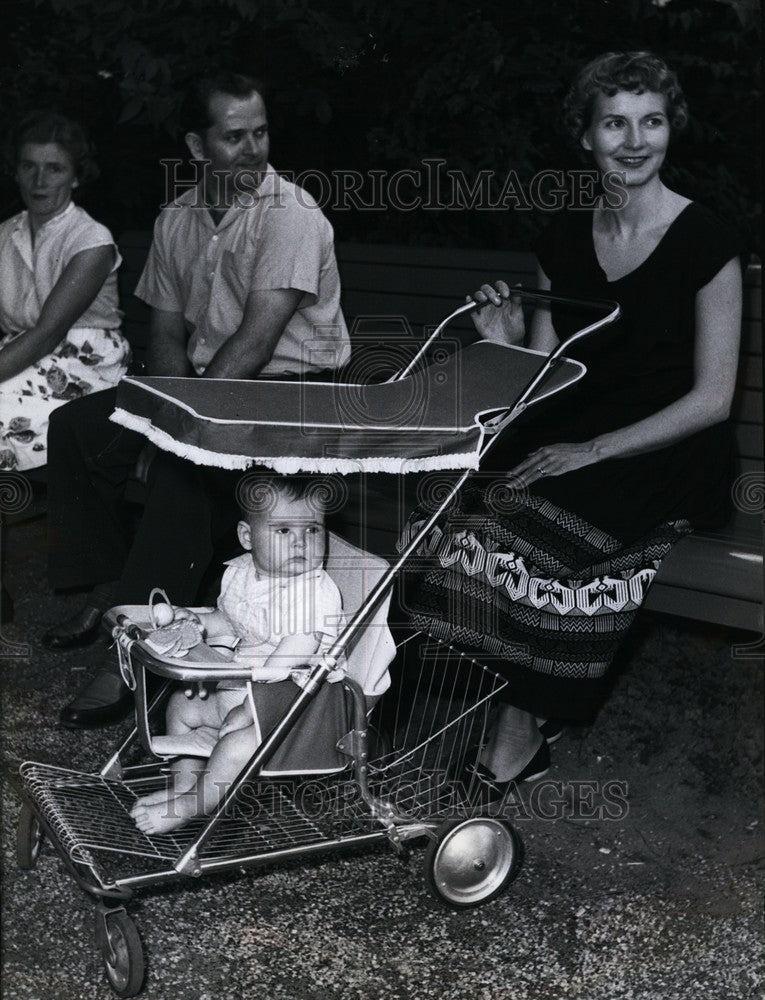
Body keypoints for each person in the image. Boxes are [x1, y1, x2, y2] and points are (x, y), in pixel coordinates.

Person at [400, 51, 743, 795]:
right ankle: (418, 707)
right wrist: (502, 335)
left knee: (528, 542)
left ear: (669, 130)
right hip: (577, 432)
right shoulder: (562, 238)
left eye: (650, 121)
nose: (633, 139)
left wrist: (590, 450)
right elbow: (549, 372)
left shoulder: (706, 240)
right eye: (613, 121)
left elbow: (713, 396)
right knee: (464, 516)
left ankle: (521, 731)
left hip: (669, 444)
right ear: (584, 136)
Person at [44, 71, 350, 728]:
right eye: (233, 136)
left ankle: (130, 654)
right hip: (206, 390)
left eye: (260, 132)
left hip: (290, 398)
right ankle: (110, 586)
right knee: (77, 427)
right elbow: (165, 332)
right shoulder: (178, 219)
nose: (253, 149)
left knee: (183, 471)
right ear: (196, 144)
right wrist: (170, 408)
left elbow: (256, 341)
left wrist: (179, 426)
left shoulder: (290, 215)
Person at [131, 474, 346, 835]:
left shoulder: (314, 591)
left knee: (235, 748)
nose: (300, 543)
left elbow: (292, 654)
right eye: (283, 531)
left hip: (293, 704)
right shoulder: (241, 573)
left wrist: (249, 708)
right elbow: (229, 622)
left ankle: (194, 804)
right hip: (240, 685)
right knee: (181, 708)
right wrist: (201, 628)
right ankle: (184, 787)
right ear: (247, 537)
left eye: (313, 530)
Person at [0, 112, 130, 470]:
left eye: (54, 169)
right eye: (28, 166)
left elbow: (48, 332)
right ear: (15, 171)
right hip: (20, 356)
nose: (39, 181)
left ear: (75, 177)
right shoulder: (5, 233)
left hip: (80, 368)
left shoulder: (91, 240)